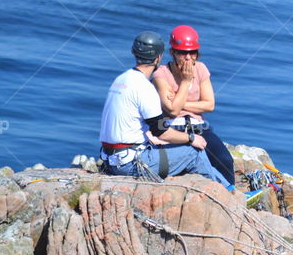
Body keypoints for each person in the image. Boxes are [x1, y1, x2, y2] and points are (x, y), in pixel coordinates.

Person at [98, 31, 238, 189]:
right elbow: (162, 130)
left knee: (213, 155)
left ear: (134, 53)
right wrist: (191, 139)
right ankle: (227, 193)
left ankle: (225, 188)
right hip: (130, 163)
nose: (188, 57)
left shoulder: (121, 79)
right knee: (193, 153)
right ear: (159, 57)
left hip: (110, 159)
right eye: (182, 53)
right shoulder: (144, 87)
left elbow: (149, 125)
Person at [151, 25, 235, 184]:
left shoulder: (201, 69)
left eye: (192, 53)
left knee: (223, 159)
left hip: (198, 125)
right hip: (171, 126)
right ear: (173, 53)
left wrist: (178, 101)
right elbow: (172, 112)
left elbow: (209, 105)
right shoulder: (161, 74)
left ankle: (232, 194)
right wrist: (186, 82)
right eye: (183, 53)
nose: (188, 58)